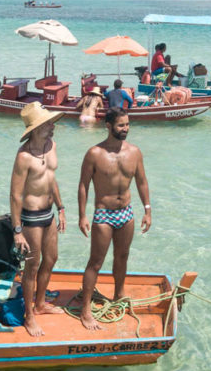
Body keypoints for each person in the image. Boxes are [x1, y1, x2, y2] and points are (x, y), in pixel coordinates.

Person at [77, 108, 151, 330]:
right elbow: (83, 185)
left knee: (123, 256)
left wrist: (147, 210)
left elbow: (142, 181)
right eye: (121, 125)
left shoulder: (135, 152)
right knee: (96, 262)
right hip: (104, 214)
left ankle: (119, 294)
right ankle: (85, 310)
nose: (125, 129)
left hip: (126, 212)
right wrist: (82, 215)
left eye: (127, 124)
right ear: (108, 126)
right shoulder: (95, 153)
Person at [10, 101, 66, 337]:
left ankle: (41, 304)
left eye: (51, 122)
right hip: (31, 217)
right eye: (47, 124)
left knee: (51, 258)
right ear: (34, 129)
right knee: (32, 266)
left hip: (49, 213)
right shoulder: (23, 157)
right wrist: (17, 230)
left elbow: (51, 179)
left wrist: (61, 208)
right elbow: (15, 194)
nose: (52, 127)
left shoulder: (52, 145)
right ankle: (29, 316)